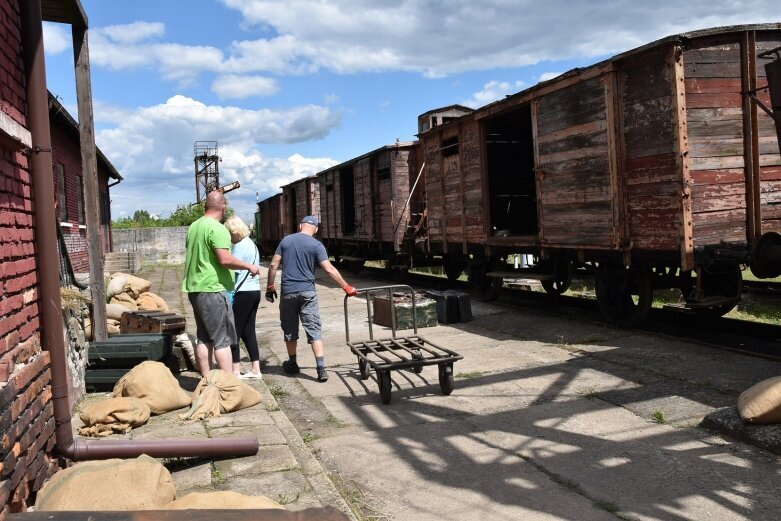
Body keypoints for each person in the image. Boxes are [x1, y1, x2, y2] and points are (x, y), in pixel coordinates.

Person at [266, 215, 357, 382]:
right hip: (308, 292)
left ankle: (292, 363)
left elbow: (273, 265)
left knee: (290, 329)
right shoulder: (317, 245)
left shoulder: (286, 241)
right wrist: (346, 286)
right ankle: (321, 368)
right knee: (313, 328)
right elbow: (329, 269)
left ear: (301, 226)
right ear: (315, 229)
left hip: (288, 292)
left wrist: (270, 287)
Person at [181, 191, 260, 377]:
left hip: (195, 288)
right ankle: (227, 385)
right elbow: (224, 260)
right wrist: (248, 266)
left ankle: (207, 380)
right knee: (222, 340)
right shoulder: (217, 229)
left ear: (206, 206)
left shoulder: (193, 227)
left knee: (203, 337)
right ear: (223, 206)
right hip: (213, 289)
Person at [224, 215, 263, 379]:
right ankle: (256, 369)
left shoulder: (240, 246)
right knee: (248, 332)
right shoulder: (251, 244)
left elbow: (234, 271)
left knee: (234, 332)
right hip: (255, 291)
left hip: (243, 293)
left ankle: (235, 370)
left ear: (233, 231)